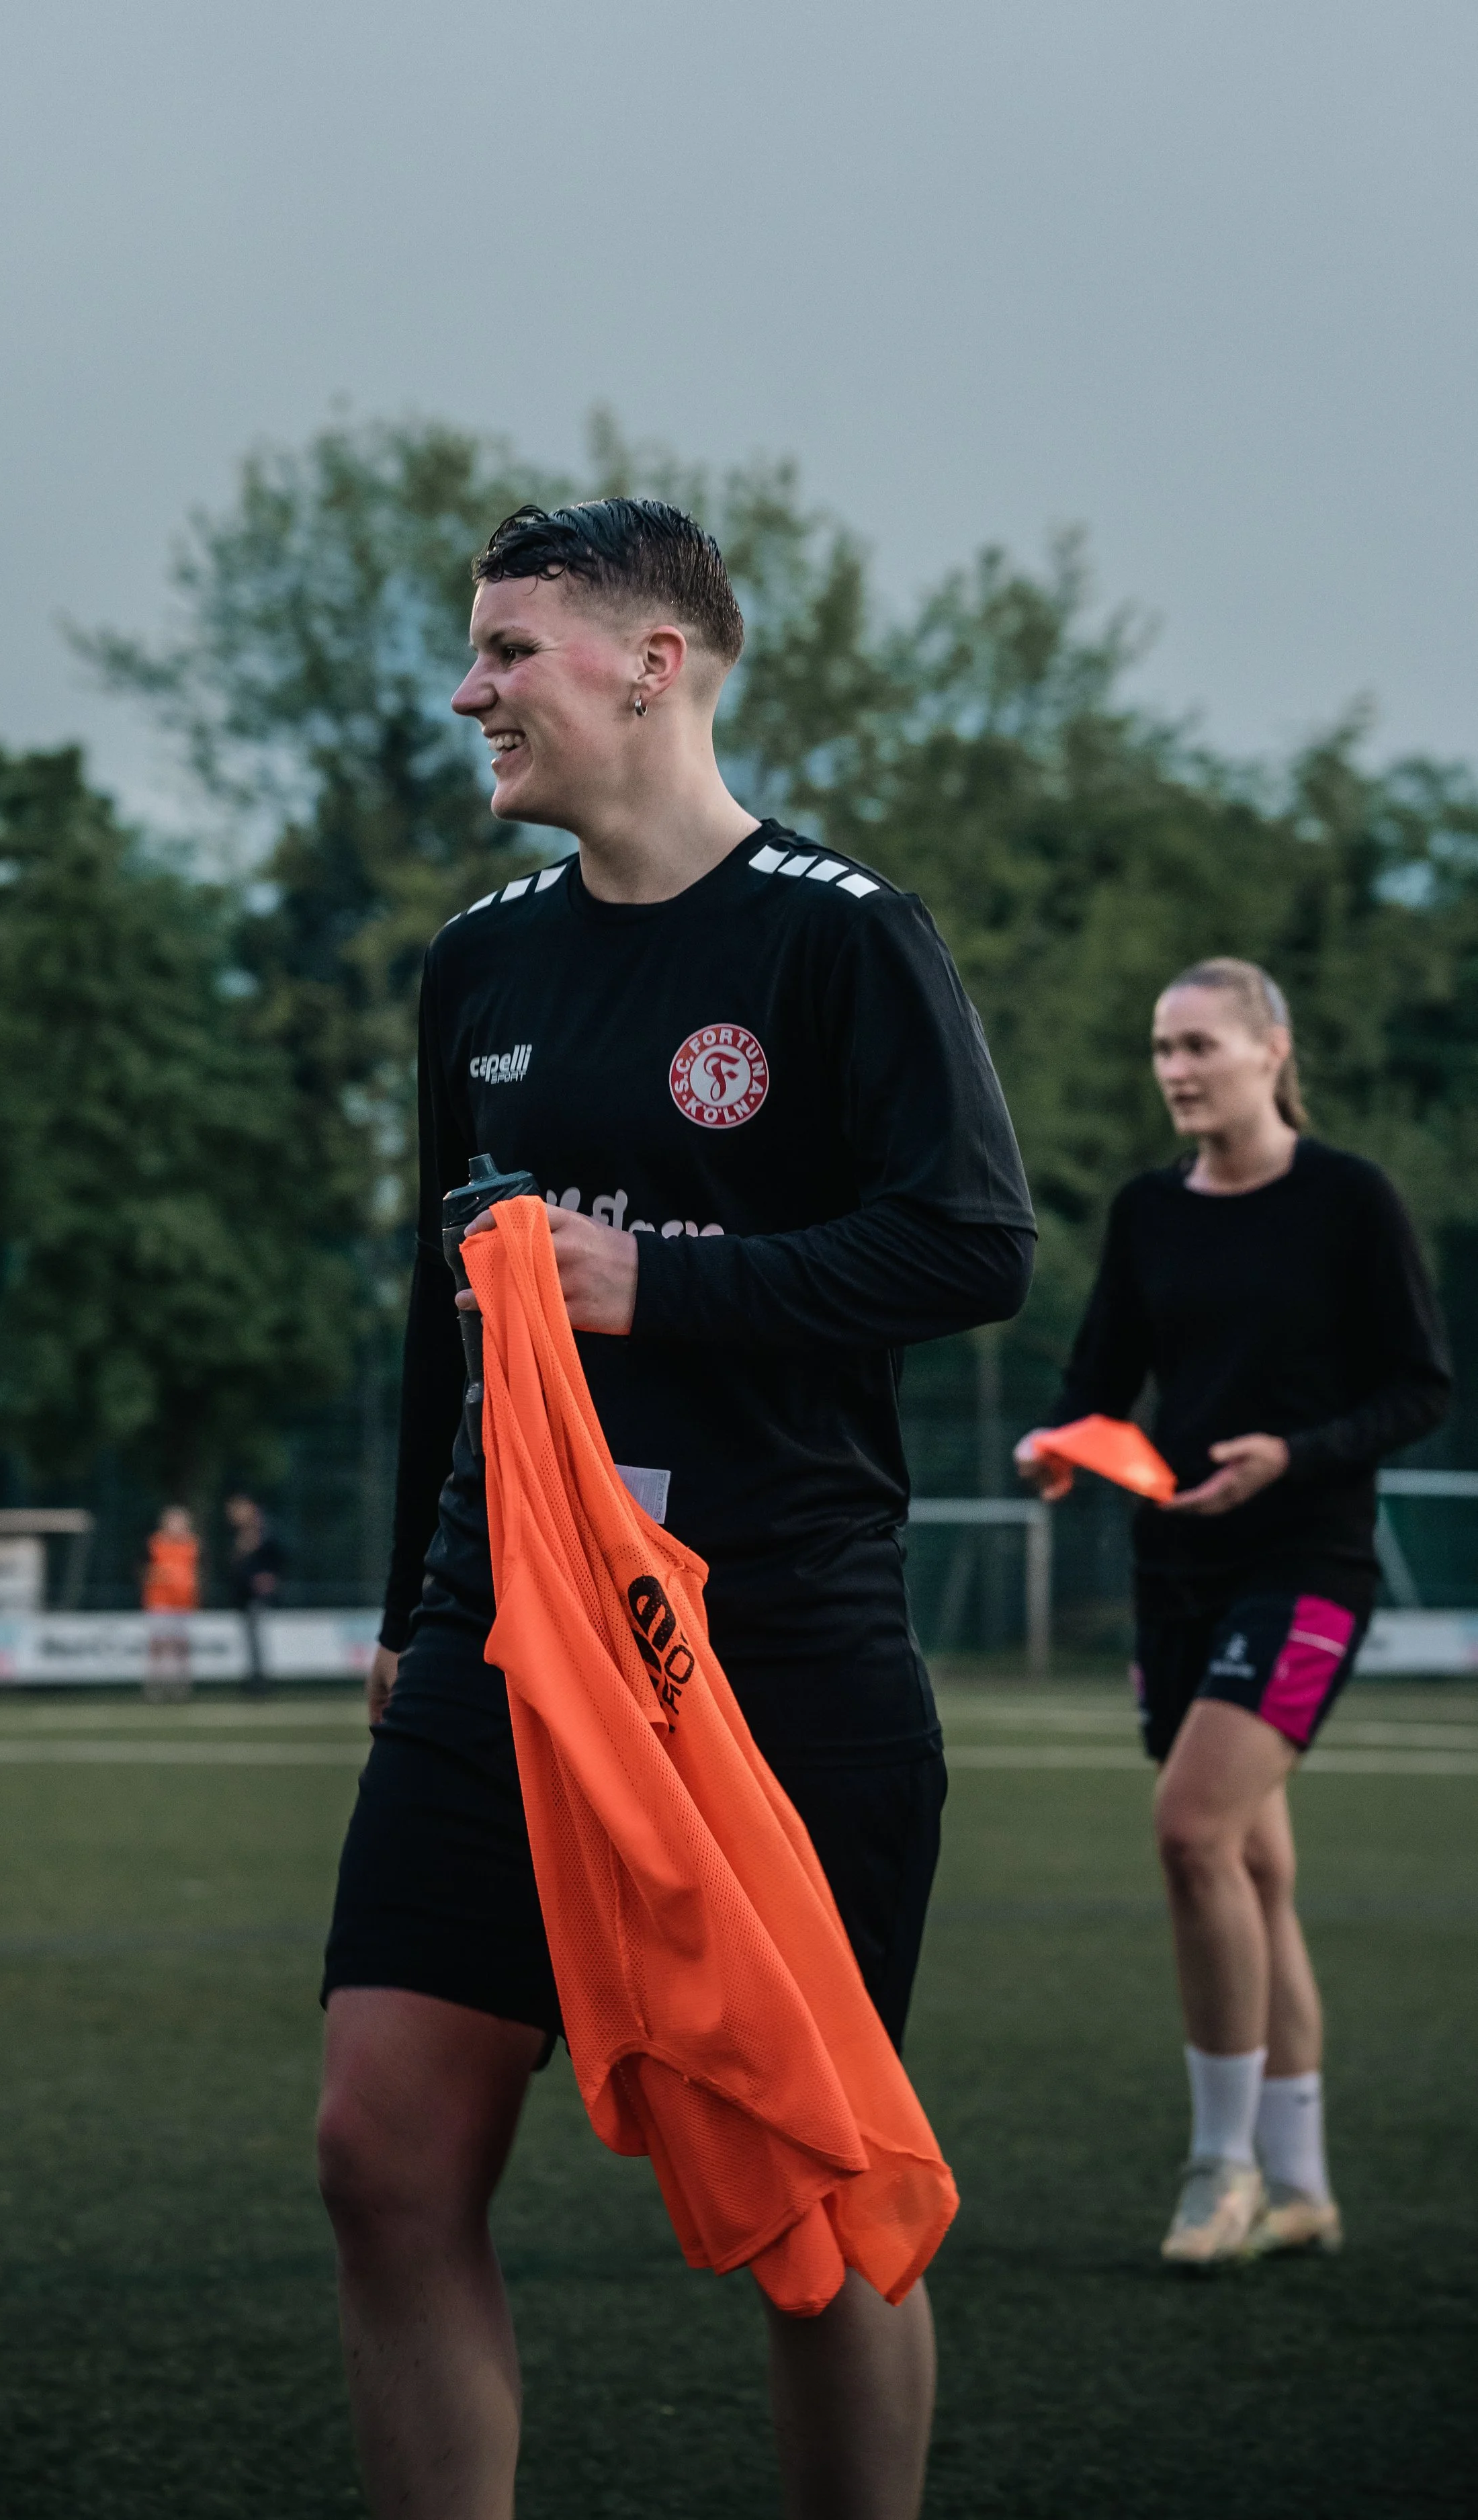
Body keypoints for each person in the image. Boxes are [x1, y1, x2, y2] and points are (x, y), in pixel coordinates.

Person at [314, 497, 1036, 2520]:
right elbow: (436, 1313)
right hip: (498, 1631)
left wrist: (665, 1281)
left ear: (658, 663)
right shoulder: (476, 964)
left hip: (764, 1644)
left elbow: (970, 1246)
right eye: (472, 651)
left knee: (810, 2212)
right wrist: (404, 1605)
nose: (470, 690)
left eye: (508, 649)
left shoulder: (837, 933)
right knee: (380, 2148)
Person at [1016, 958, 1450, 2267]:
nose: (1173, 1070)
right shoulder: (1148, 1212)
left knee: (1189, 1833)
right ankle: (1303, 2186)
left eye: (1198, 1043)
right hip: (1176, 1578)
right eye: (1159, 1047)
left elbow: (1416, 1388)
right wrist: (1058, 1446)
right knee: (1254, 1873)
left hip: (1304, 1563)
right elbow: (1096, 1385)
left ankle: (1220, 2172)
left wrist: (1292, 1454)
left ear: (1269, 1049)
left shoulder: (1348, 1200)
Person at [224, 1492, 283, 1695]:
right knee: (251, 1639)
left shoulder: (264, 1533)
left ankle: (259, 1680)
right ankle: (255, 1678)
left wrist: (270, 1577)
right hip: (244, 1595)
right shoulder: (239, 1535)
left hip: (256, 1596)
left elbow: (275, 1560)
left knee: (256, 1638)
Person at [142, 1502, 200, 1701]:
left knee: (181, 1646)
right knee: (158, 1645)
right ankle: (156, 1687)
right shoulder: (154, 1544)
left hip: (183, 1604)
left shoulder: (193, 1545)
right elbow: (143, 1570)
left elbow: (198, 1574)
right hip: (160, 1602)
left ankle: (181, 1687)